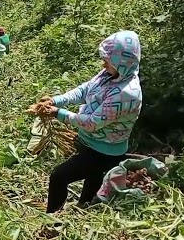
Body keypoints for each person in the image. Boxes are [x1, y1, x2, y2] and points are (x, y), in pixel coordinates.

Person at [39, 30, 142, 213]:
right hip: (93, 143)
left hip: (105, 151)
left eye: (107, 61)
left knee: (59, 177)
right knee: (93, 177)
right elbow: (84, 90)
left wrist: (58, 113)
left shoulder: (126, 93)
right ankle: (83, 207)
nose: (103, 64)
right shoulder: (111, 74)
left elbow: (92, 123)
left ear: (122, 62)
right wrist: (56, 100)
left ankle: (52, 219)